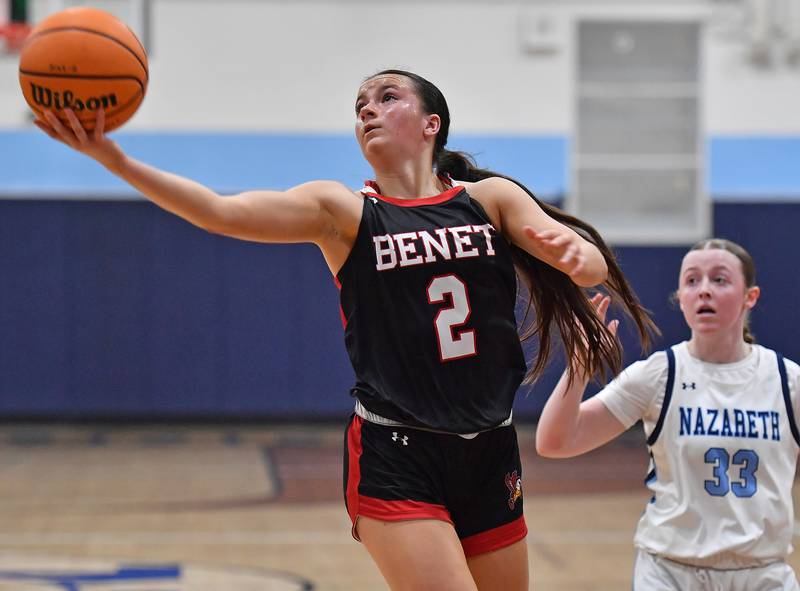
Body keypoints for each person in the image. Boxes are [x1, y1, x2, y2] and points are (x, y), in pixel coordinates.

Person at [35, 69, 654, 590]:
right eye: (360, 105)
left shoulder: (488, 199)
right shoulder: (343, 212)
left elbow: (587, 259)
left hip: (491, 450)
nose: (368, 110)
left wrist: (579, 259)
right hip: (397, 453)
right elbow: (219, 213)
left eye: (387, 97)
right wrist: (111, 158)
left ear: (431, 122)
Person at [537, 238, 800, 590]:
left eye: (719, 280)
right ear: (681, 297)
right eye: (692, 281)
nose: (704, 290)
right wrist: (579, 371)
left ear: (749, 297)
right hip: (670, 572)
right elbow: (555, 441)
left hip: (763, 573)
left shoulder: (787, 381)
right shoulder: (661, 375)